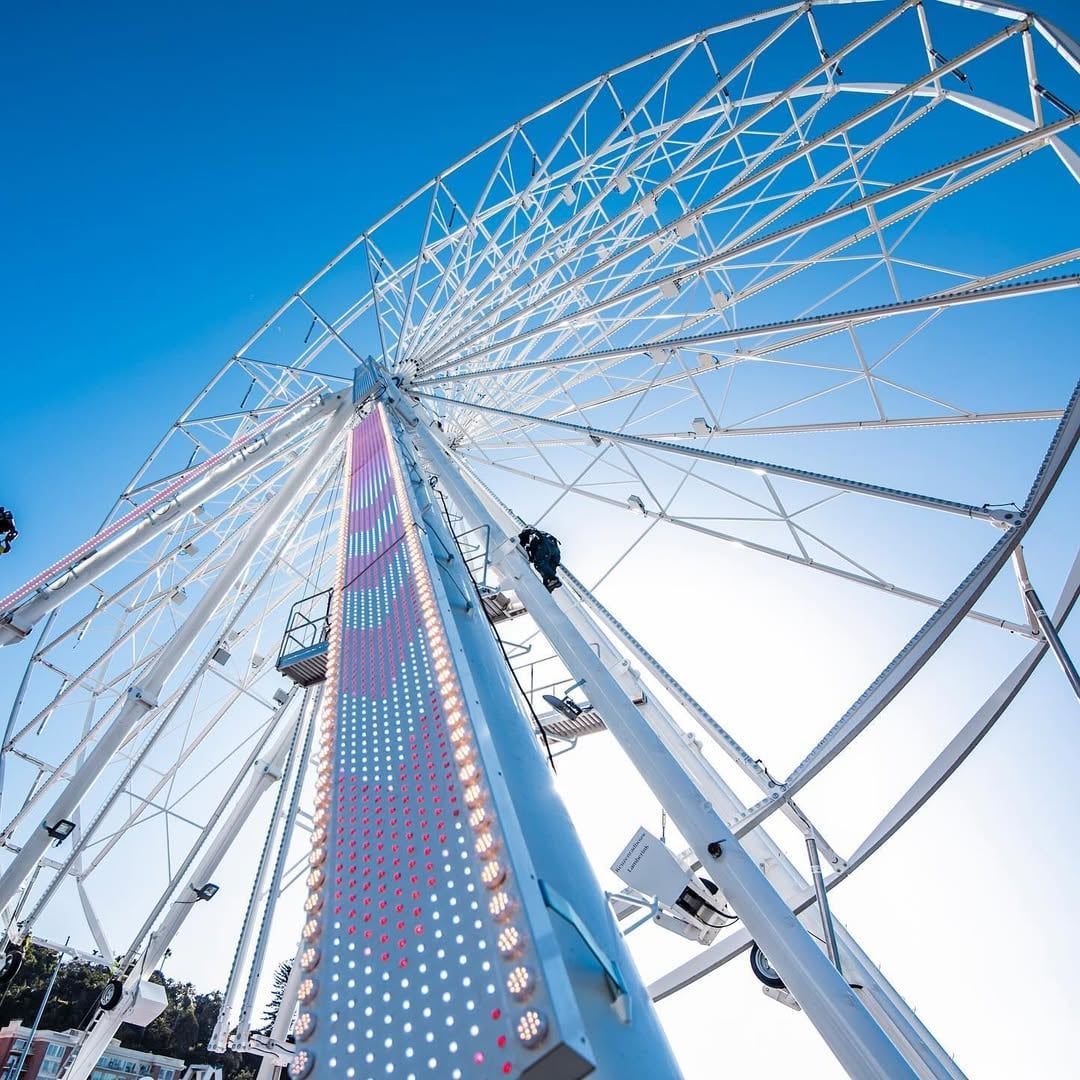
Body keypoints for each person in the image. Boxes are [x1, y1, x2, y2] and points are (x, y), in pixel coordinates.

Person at [518, 526, 561, 592]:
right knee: (548, 571)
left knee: (539, 564)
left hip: (544, 545)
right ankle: (548, 587)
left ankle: (553, 580)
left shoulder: (528, 532)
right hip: (556, 551)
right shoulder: (543, 534)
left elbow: (519, 544)